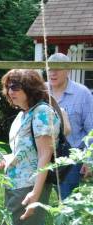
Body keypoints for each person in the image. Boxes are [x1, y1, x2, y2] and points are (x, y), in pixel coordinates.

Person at [0, 69, 61, 225]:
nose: (10, 91)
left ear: (30, 88)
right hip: (15, 184)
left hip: (29, 186)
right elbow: (25, 151)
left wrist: (35, 195)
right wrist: (6, 160)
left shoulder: (42, 112)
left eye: (15, 86)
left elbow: (45, 155)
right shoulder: (24, 114)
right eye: (8, 87)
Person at [48, 52, 93, 199]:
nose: (52, 73)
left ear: (68, 70)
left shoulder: (83, 94)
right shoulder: (40, 91)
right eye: (50, 69)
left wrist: (88, 159)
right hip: (43, 154)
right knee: (38, 199)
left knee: (66, 201)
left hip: (72, 159)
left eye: (58, 69)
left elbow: (91, 130)